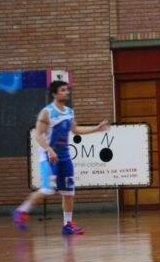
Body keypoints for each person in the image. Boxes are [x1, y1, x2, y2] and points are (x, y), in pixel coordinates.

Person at [12, 81, 109, 235]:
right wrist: (49, 149)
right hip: (49, 157)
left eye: (67, 90)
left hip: (64, 157)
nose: (66, 92)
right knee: (47, 189)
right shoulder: (47, 112)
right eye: (63, 90)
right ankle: (21, 211)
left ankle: (68, 224)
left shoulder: (69, 112)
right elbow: (37, 135)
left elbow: (75, 130)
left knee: (69, 192)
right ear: (54, 94)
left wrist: (96, 129)